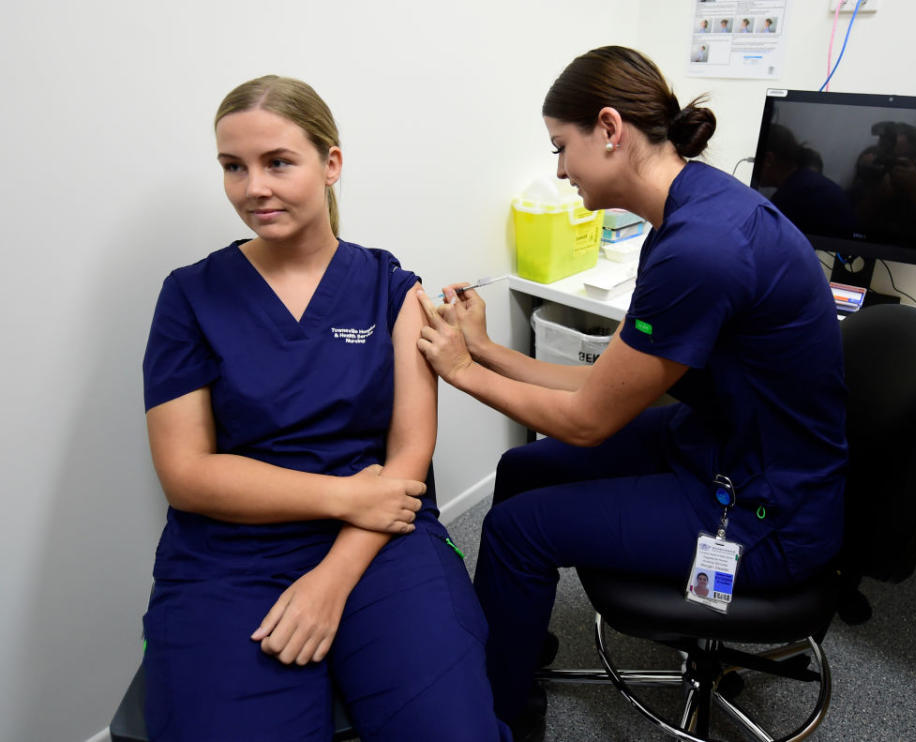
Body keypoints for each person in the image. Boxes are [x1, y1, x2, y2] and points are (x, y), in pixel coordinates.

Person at [415, 46, 846, 736]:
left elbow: (587, 422)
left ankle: (498, 715)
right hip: (715, 444)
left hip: (769, 511)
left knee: (514, 529)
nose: (559, 169)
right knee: (521, 468)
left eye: (562, 147)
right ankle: (514, 645)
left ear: (610, 128)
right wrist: (487, 350)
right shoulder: (686, 211)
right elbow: (613, 386)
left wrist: (461, 373)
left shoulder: (701, 247)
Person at [141, 75, 508, 741]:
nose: (254, 187)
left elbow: (408, 457)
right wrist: (344, 498)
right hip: (233, 547)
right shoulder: (190, 297)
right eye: (233, 167)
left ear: (330, 164)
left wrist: (331, 579)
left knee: (451, 729)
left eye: (278, 161)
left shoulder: (390, 289)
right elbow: (187, 474)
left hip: (380, 537)